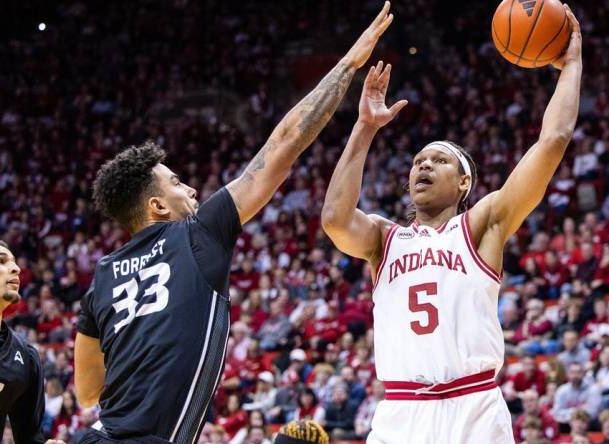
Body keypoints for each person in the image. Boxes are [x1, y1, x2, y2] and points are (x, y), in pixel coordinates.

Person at [72, 4, 396, 442]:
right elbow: (284, 141)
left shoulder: (102, 277)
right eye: (177, 183)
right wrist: (347, 64)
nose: (190, 190)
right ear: (157, 207)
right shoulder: (197, 233)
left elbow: (87, 389)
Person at [320, 6, 582, 443]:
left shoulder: (483, 224)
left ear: (464, 181)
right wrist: (365, 127)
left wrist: (571, 64)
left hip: (473, 408)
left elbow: (552, 141)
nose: (423, 166)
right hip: (401, 412)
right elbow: (335, 219)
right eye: (418, 160)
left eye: (438, 160)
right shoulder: (385, 240)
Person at [0, 240, 63, 444]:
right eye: (0, 261)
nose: (15, 268)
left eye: (14, 263)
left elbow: (30, 438)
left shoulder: (26, 357)